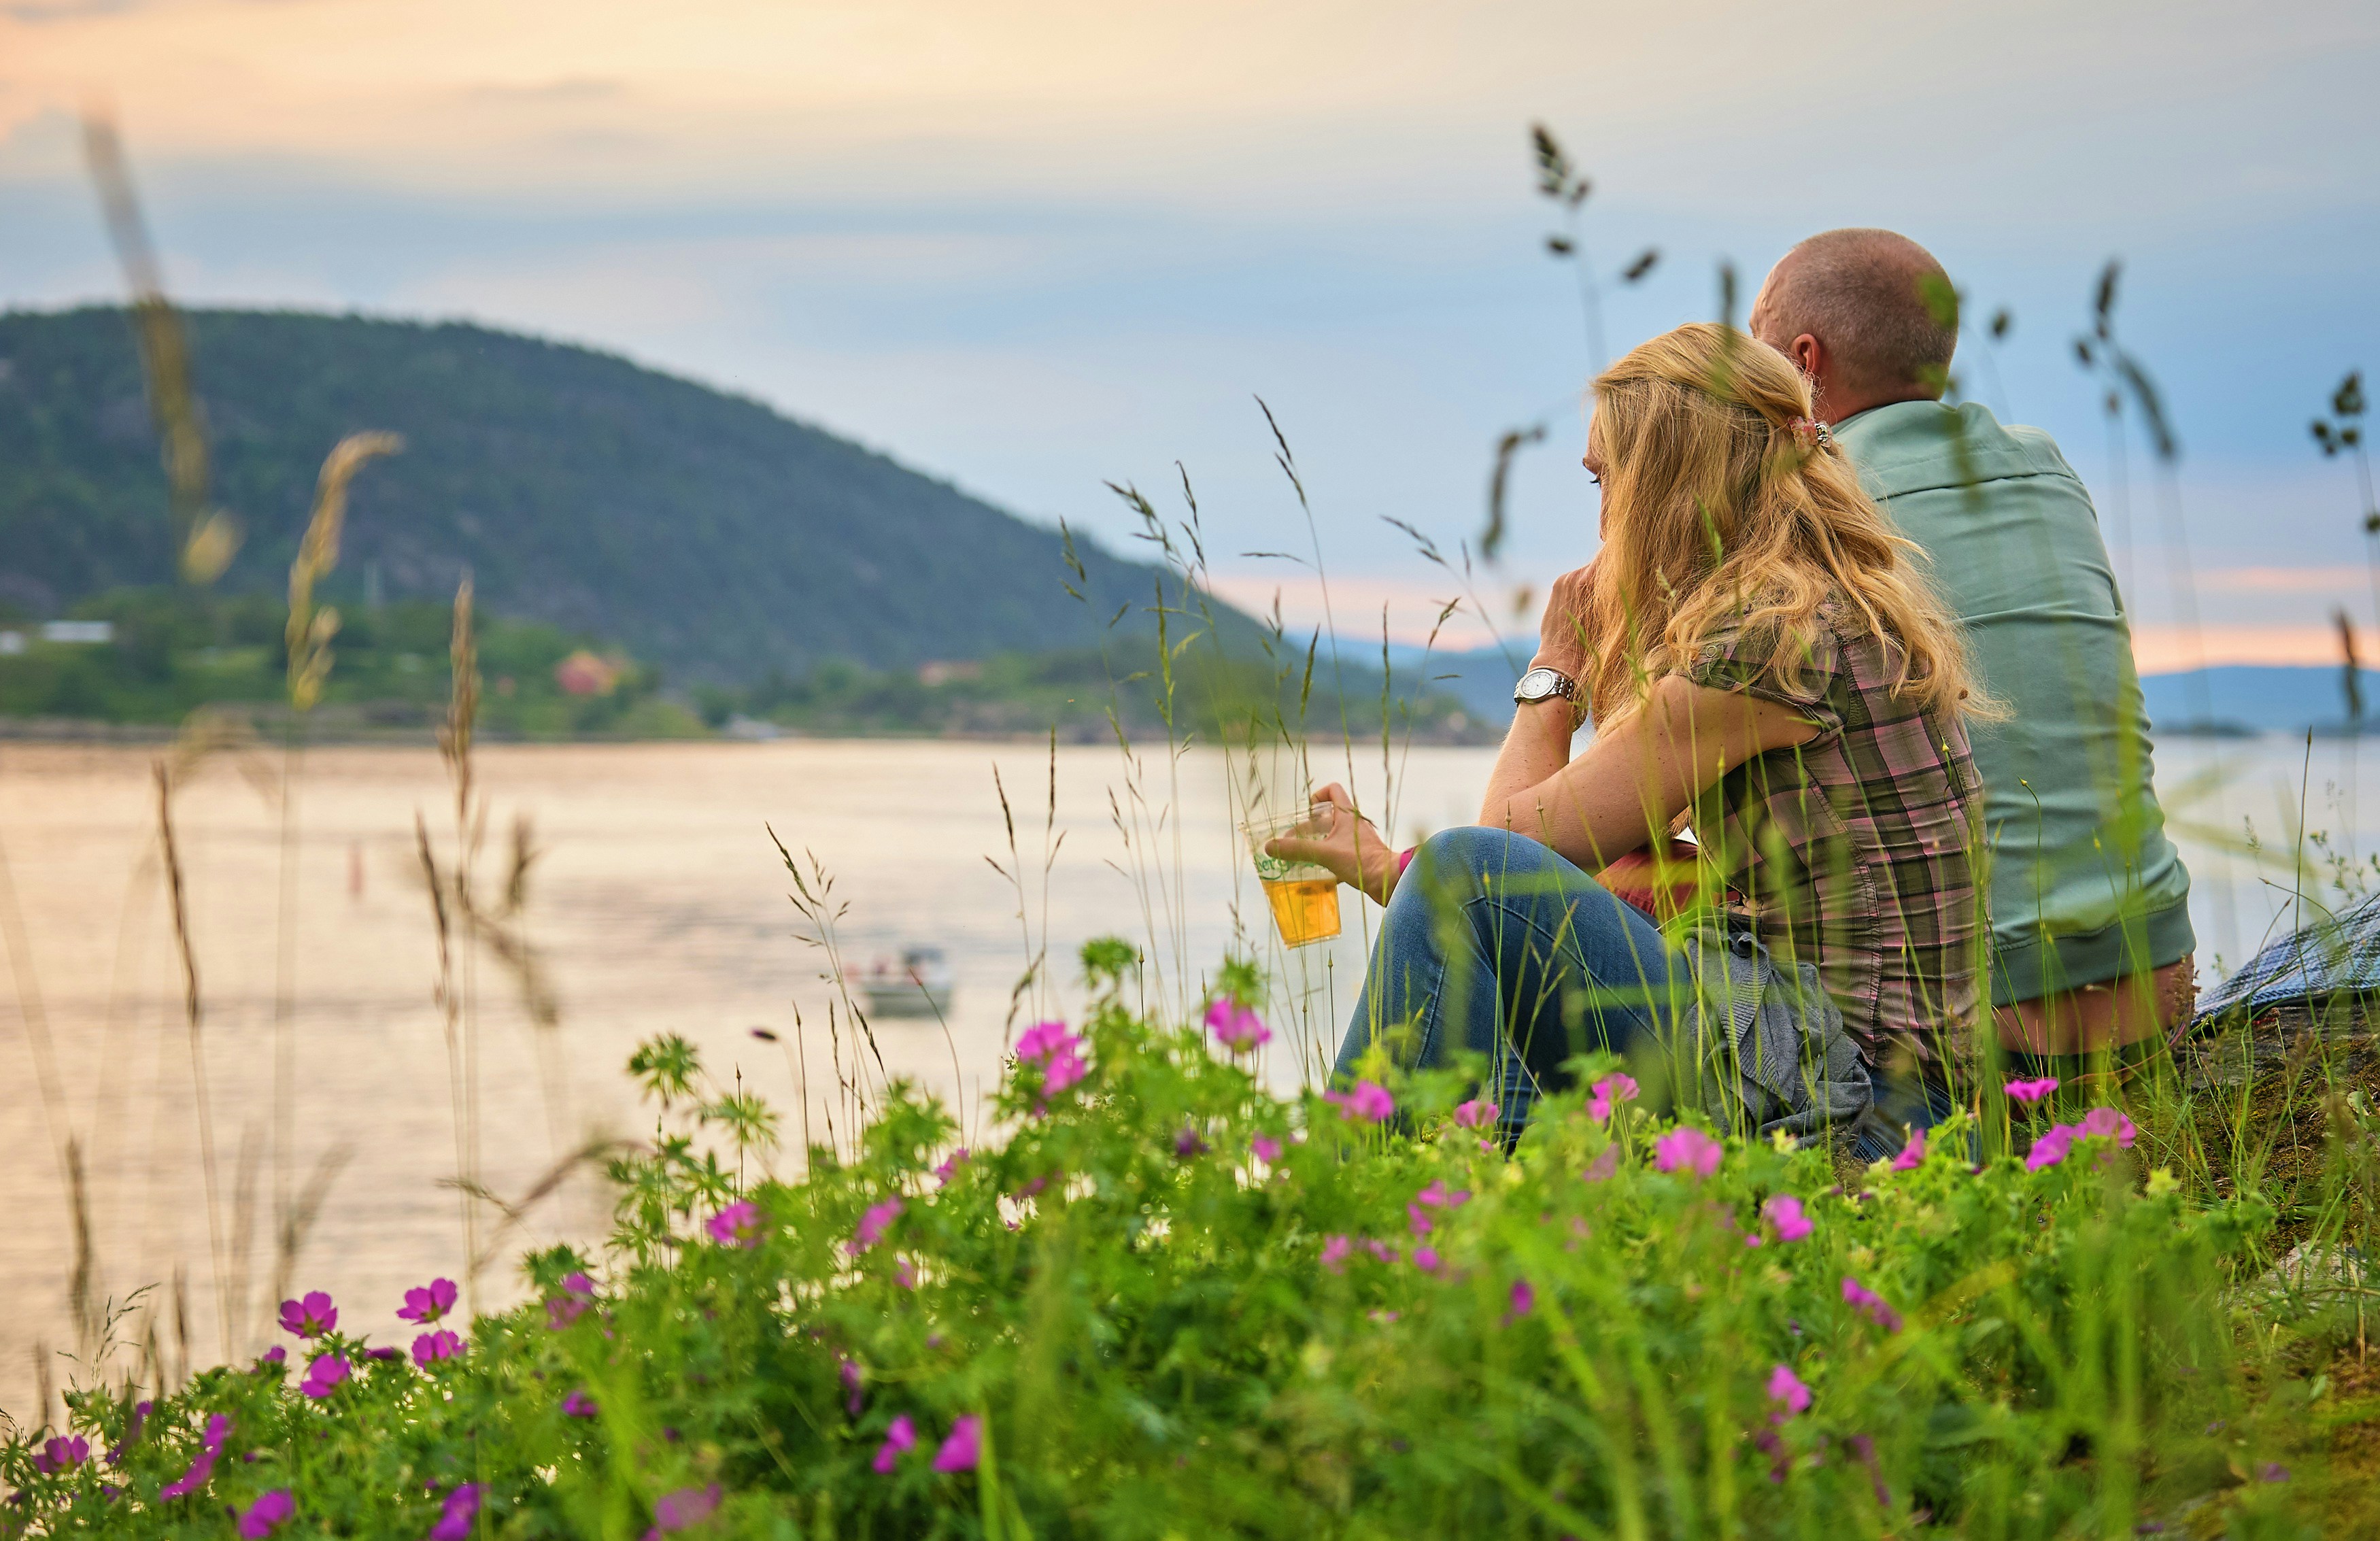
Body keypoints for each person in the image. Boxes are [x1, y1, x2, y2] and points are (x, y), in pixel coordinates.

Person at [1273, 322, 1988, 1147]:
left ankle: (1350, 1202)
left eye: (1603, 477)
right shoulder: (1818, 610)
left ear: (1665, 482)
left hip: (1861, 1111)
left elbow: (1507, 848)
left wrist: (1555, 668)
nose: (1603, 515)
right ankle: (1473, 1202)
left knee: (1460, 877)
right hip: (1840, 1069)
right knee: (1514, 985)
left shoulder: (1770, 644)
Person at [1748, 228, 2197, 1085]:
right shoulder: (2046, 470)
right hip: (2153, 980)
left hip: (1962, 1023)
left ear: (1804, 360)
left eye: (1755, 345)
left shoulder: (1802, 503)